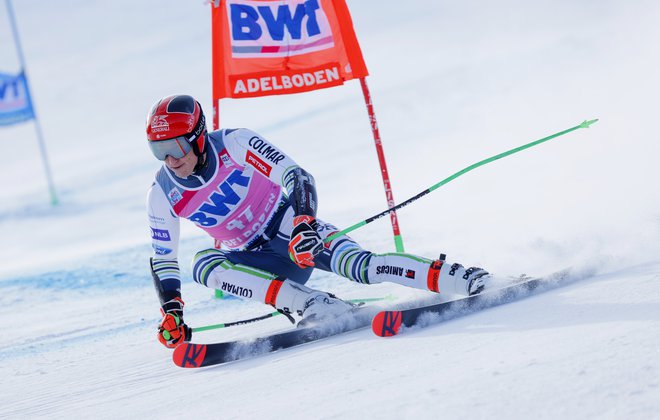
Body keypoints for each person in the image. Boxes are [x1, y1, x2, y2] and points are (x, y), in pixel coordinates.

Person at [146, 94, 489, 348]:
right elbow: (164, 258)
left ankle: (460, 278)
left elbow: (297, 175)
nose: (170, 160)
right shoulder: (162, 193)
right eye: (158, 150)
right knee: (203, 264)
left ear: (198, 135)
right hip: (258, 261)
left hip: (291, 230)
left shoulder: (234, 143)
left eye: (174, 147)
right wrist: (172, 311)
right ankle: (311, 304)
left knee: (362, 267)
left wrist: (303, 224)